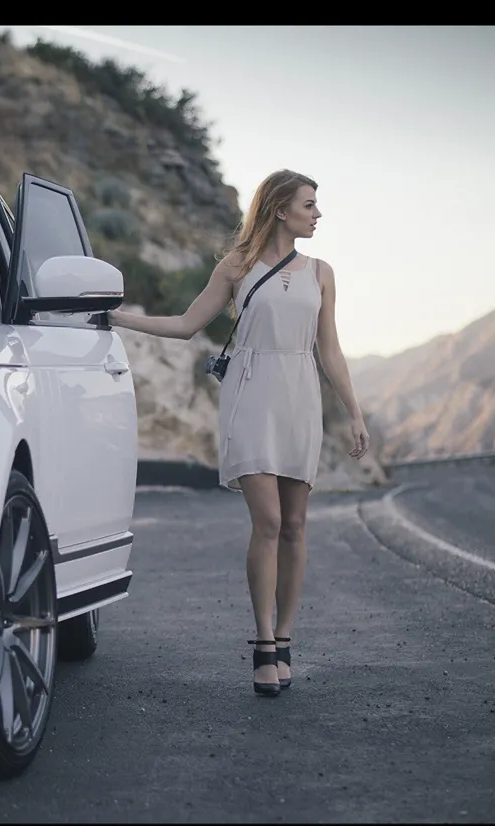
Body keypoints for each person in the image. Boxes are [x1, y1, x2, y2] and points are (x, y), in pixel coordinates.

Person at [105, 169, 369, 697]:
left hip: (300, 393)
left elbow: (330, 349)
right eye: (310, 205)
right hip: (251, 390)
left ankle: (287, 638)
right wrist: (115, 318)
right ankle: (263, 643)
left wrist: (355, 412)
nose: (318, 214)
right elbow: (185, 325)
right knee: (268, 520)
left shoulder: (322, 272)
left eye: (317, 206)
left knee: (295, 525)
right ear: (279, 210)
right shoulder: (237, 266)